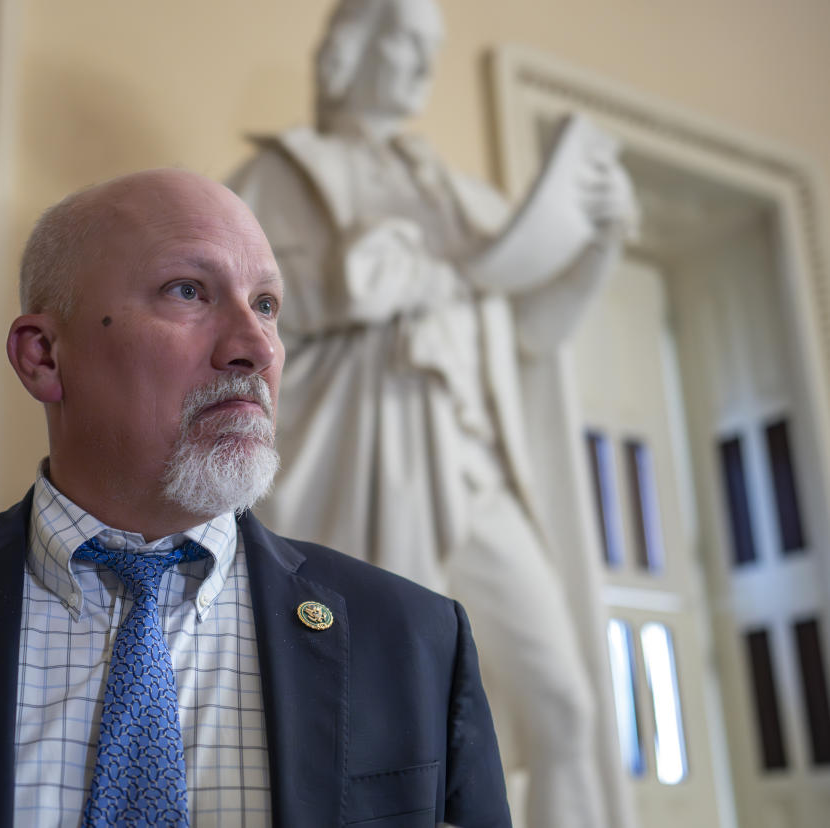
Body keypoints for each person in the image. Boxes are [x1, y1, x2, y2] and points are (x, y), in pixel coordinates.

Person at [0, 169, 511, 827]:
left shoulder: (416, 642)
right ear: (43, 357)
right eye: (189, 291)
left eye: (266, 305)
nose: (255, 346)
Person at [229, 1, 636, 827]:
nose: (422, 65)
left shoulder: (459, 196)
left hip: (474, 470)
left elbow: (530, 331)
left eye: (433, 49)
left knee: (564, 704)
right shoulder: (282, 177)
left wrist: (598, 249)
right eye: (406, 43)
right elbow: (250, 313)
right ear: (351, 50)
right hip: (359, 466)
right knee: (368, 723)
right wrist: (367, 274)